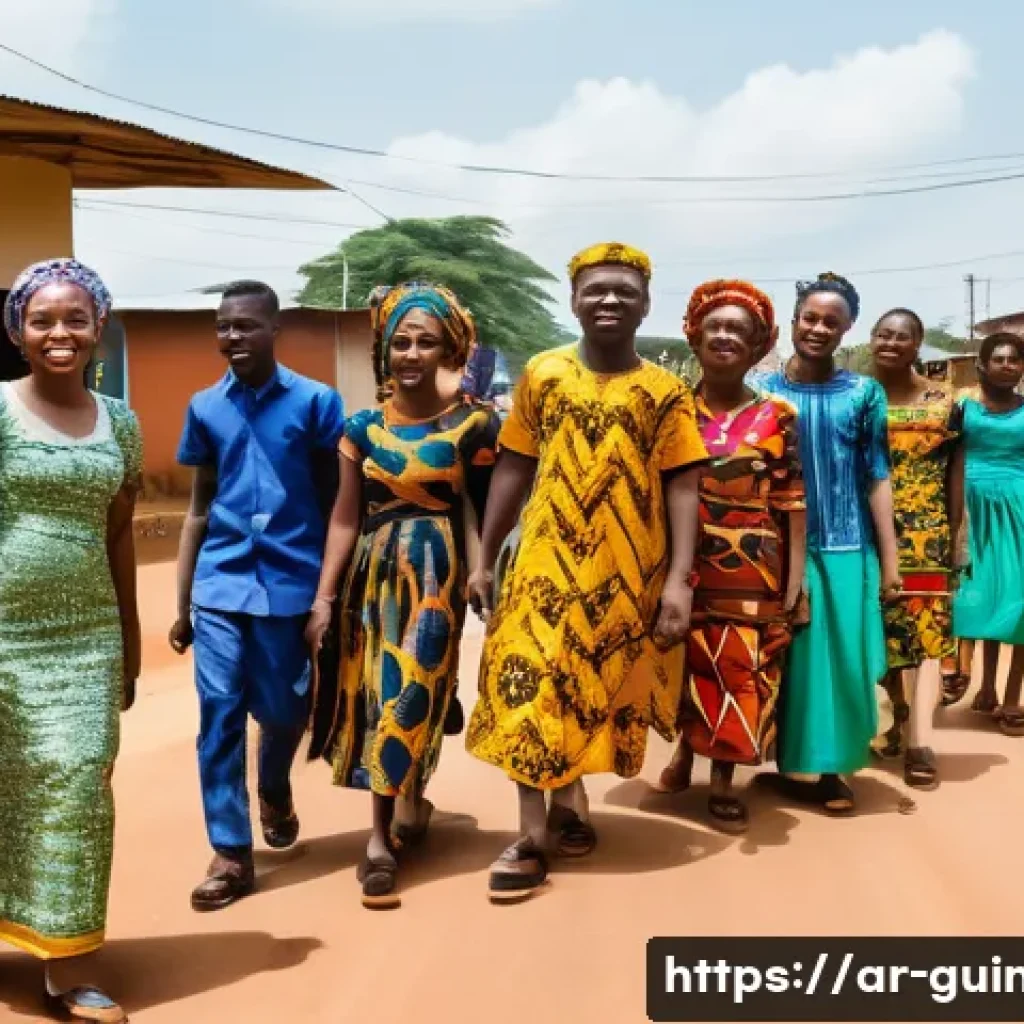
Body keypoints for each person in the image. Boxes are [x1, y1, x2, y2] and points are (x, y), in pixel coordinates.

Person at [466, 242, 708, 901]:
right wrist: (484, 559)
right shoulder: (543, 373)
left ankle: (571, 804)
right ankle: (529, 834)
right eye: (596, 290)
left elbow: (684, 485)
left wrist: (680, 581)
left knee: (588, 692)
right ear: (573, 300)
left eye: (624, 293)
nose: (609, 301)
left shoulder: (665, 393)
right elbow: (513, 466)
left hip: (627, 575)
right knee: (525, 686)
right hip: (542, 563)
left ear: (645, 305)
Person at [306, 282, 499, 909]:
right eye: (401, 342)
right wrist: (324, 598)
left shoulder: (473, 424)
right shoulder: (358, 429)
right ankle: (381, 840)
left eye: (426, 342)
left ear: (450, 349)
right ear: (384, 350)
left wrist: (479, 571)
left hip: (436, 580)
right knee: (377, 696)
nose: (411, 354)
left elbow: (473, 506)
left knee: (411, 691)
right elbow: (342, 517)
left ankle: (408, 802)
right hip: (372, 578)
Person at [169, 280, 345, 911]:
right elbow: (197, 509)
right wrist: (182, 602)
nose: (232, 337)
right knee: (217, 715)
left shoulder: (318, 403)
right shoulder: (205, 407)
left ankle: (274, 787)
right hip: (220, 585)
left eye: (245, 325)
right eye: (223, 327)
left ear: (275, 330)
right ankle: (230, 851)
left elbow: (335, 503)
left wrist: (330, 593)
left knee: (283, 713)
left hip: (291, 586)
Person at [0, 259, 142, 1023]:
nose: (60, 333)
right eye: (43, 319)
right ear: (19, 332)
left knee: (80, 780)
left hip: (85, 637)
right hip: (1, 636)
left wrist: (131, 639)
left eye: (75, 319)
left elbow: (119, 537)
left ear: (98, 329)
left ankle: (67, 964)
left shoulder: (119, 421)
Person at [655, 280, 806, 833]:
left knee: (741, 668)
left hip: (754, 567)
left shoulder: (781, 414)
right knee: (684, 663)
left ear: (758, 344)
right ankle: (683, 755)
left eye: (739, 330)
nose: (724, 336)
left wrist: (794, 581)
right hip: (681, 559)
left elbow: (792, 498)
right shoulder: (670, 410)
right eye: (715, 326)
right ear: (693, 335)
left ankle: (722, 778)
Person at [754, 273, 901, 815]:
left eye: (830, 322)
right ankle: (778, 759)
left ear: (847, 330)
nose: (818, 329)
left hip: (844, 546)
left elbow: (878, 476)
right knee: (778, 658)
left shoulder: (864, 394)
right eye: (810, 318)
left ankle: (834, 770)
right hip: (769, 545)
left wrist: (890, 563)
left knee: (838, 660)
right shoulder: (760, 391)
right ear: (794, 321)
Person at [869, 309, 964, 789]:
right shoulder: (856, 395)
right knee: (882, 633)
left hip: (927, 532)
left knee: (926, 637)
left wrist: (956, 542)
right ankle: (893, 723)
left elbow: (954, 475)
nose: (891, 343)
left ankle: (920, 742)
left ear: (918, 343)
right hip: (865, 533)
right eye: (883, 334)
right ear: (871, 339)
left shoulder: (944, 402)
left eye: (901, 336)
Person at [952, 332, 1024, 735]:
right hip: (972, 508)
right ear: (981, 365)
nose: (1007, 365)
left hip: (1019, 508)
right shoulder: (962, 409)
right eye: (998, 359)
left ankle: (1014, 694)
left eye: (1015, 359)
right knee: (982, 594)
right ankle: (985, 687)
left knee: (1019, 598)